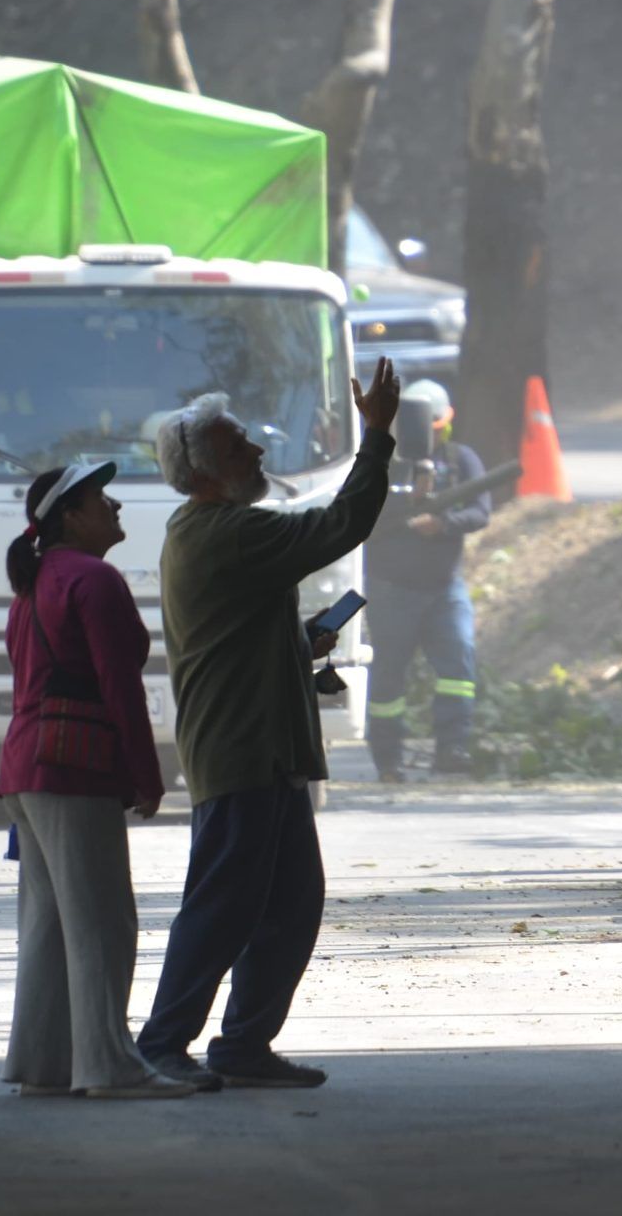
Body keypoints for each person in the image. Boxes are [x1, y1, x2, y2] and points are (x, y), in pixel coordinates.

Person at [134, 357, 402, 1092]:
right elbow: (343, 522)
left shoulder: (209, 529)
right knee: (224, 905)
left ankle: (243, 1043)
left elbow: (238, 632)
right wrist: (376, 435)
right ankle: (162, 1040)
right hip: (242, 752)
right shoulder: (226, 532)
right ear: (204, 470)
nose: (257, 451)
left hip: (265, 752)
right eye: (239, 445)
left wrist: (298, 641)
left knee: (287, 902)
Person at [0, 461, 196, 1100]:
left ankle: (46, 1063)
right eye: (98, 499)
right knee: (103, 921)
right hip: (74, 763)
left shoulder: (34, 585)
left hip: (26, 768)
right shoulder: (94, 579)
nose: (113, 506)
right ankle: (109, 1066)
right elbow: (120, 687)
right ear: (69, 517)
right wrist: (147, 772)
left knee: (51, 922)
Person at [364, 380, 493, 783]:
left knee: (458, 662)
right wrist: (406, 501)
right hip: (391, 590)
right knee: (388, 674)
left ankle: (453, 748)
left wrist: (444, 524)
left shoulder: (461, 460)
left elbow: (480, 512)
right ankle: (388, 758)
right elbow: (360, 515)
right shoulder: (380, 463)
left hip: (444, 588)